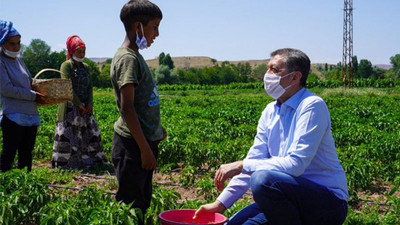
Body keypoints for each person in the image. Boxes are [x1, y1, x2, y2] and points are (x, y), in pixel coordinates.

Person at [195, 48, 349, 225]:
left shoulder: (312, 106)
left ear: (295, 77)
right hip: (287, 197)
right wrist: (220, 204)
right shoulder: (270, 111)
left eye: (275, 70)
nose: (268, 75)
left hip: (327, 203)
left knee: (263, 179)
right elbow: (255, 159)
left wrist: (241, 165)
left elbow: (295, 165)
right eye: (268, 69)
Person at [110, 0, 166, 222]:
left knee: (142, 200)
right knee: (131, 205)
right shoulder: (127, 59)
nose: (157, 33)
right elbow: (127, 108)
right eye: (154, 26)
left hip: (141, 141)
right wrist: (145, 149)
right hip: (132, 146)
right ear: (137, 27)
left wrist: (155, 130)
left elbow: (142, 104)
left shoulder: (135, 56)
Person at [51, 35, 106, 170]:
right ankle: (65, 165)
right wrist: (78, 104)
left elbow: (89, 87)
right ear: (71, 51)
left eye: (83, 51)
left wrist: (89, 104)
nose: (82, 54)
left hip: (85, 107)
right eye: (79, 52)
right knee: (69, 134)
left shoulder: (86, 67)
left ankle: (90, 162)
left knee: (89, 132)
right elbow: (67, 86)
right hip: (70, 106)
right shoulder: (66, 65)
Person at [0, 20, 46, 172]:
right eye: (12, 44)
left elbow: (29, 81)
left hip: (30, 114)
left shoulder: (19, 59)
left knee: (26, 154)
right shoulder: (1, 62)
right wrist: (33, 96)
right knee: (9, 154)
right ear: (2, 44)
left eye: (18, 43)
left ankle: (25, 187)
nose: (16, 47)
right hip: (13, 116)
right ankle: (4, 188)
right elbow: (7, 89)